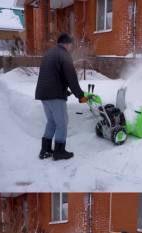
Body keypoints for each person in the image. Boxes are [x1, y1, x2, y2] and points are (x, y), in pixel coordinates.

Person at [35, 33, 89, 161]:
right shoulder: (64, 55)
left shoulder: (49, 53)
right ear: (67, 44)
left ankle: (45, 150)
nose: (71, 47)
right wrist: (80, 96)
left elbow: (53, 75)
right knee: (62, 123)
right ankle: (59, 152)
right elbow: (71, 77)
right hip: (54, 96)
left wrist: (64, 91)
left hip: (44, 94)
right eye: (71, 45)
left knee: (52, 122)